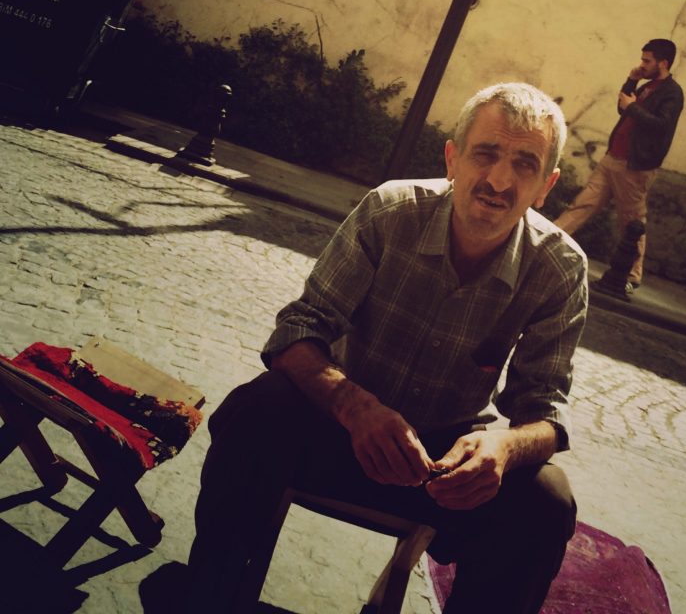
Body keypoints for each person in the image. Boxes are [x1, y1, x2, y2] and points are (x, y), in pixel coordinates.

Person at [185, 83, 588, 614]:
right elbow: (298, 329)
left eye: (525, 164)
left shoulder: (559, 267)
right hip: (334, 428)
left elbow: (546, 411)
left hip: (444, 470)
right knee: (256, 408)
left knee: (546, 500)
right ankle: (207, 598)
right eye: (485, 154)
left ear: (546, 186)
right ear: (452, 157)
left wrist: (502, 450)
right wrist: (356, 407)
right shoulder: (389, 212)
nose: (498, 180)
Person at [555, 39, 683, 299]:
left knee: (632, 221)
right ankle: (545, 243)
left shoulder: (672, 92)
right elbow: (623, 109)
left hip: (635, 165)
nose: (642, 64)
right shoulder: (647, 87)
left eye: (647, 61)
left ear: (663, 63)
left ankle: (631, 276)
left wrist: (632, 106)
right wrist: (631, 82)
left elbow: (660, 125)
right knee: (582, 205)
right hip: (613, 158)